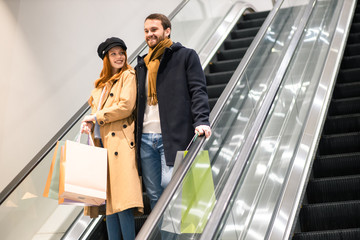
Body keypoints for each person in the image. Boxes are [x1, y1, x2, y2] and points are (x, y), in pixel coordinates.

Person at [135, 13, 212, 211]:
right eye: (146, 31)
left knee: (172, 187)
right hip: (145, 138)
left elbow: (198, 90)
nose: (149, 34)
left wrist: (202, 120)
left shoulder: (185, 56)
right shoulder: (142, 65)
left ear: (167, 30)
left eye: (154, 30)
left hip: (173, 135)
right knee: (154, 194)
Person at [80, 37, 143, 240]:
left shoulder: (128, 76)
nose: (119, 57)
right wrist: (89, 123)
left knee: (122, 202)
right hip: (102, 147)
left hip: (121, 146)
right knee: (109, 205)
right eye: (113, 54)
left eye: (121, 53)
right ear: (106, 58)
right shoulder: (100, 87)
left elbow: (126, 107)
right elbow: (97, 116)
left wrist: (95, 117)